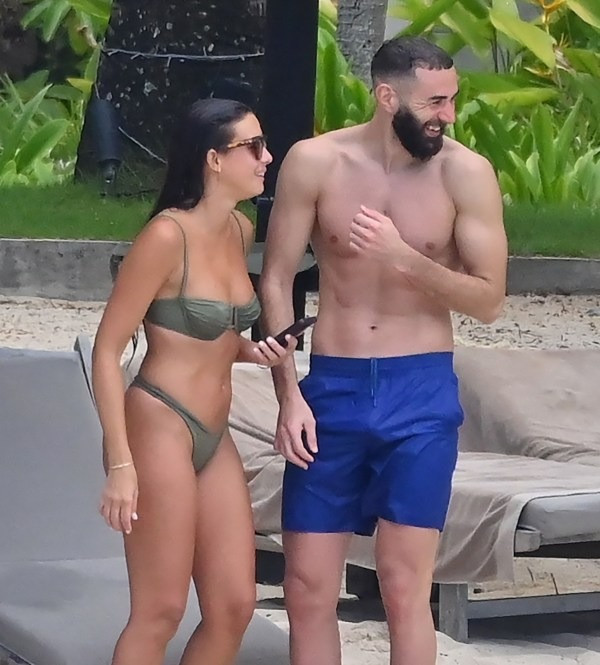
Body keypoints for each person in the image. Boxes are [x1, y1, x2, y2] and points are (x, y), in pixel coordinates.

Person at [259, 36, 507, 665]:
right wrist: (288, 394)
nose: (448, 116)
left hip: (419, 390)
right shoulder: (316, 161)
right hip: (332, 386)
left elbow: (489, 300)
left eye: (452, 100)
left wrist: (404, 258)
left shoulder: (465, 172)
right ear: (387, 96)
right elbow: (276, 279)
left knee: (403, 587)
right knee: (306, 588)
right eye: (435, 103)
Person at [92, 98, 296, 665]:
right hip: (160, 421)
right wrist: (120, 464)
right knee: (159, 610)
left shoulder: (238, 228)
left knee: (234, 606)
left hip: (214, 429)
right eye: (253, 147)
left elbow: (215, 334)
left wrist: (253, 350)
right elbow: (107, 351)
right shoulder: (166, 237)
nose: (267, 157)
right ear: (213, 159)